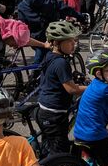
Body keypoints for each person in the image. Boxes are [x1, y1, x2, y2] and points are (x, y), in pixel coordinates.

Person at [36, 20, 86, 155]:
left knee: (49, 149)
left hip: (44, 108)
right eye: (69, 41)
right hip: (54, 114)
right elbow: (72, 89)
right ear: (57, 43)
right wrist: (92, 88)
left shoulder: (50, 56)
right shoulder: (61, 63)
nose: (73, 44)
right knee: (59, 155)